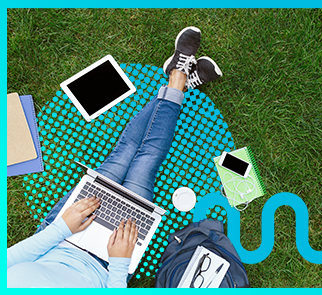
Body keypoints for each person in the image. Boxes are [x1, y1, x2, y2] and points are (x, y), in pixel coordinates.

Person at [7, 26, 222, 288]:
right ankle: (179, 79)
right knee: (147, 161)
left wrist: (61, 229)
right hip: (108, 266)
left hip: (58, 237)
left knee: (124, 152)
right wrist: (119, 263)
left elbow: (9, 261)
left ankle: (178, 79)